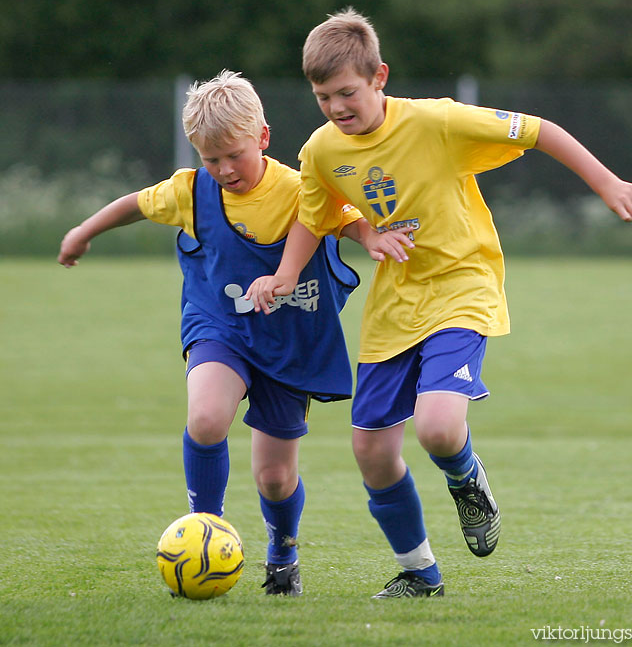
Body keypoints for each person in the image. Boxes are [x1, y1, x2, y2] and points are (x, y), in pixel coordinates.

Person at [246, 9, 632, 599]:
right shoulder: (321, 151)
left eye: (347, 93)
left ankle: (468, 483)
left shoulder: (437, 120)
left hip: (463, 286)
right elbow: (319, 214)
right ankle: (421, 573)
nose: (336, 107)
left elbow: (539, 129)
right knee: (371, 452)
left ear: (379, 76)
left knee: (439, 428)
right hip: (394, 305)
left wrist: (607, 183)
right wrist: (289, 272)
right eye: (323, 97)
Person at [57, 69, 407, 596]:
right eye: (209, 158)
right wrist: (83, 232)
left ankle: (283, 552)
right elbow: (135, 203)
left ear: (262, 139)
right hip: (219, 327)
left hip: (291, 341)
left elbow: (346, 215)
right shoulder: (190, 192)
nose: (222, 169)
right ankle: (205, 529)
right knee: (206, 416)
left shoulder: (299, 189)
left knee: (274, 477)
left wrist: (371, 237)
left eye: (233, 156)